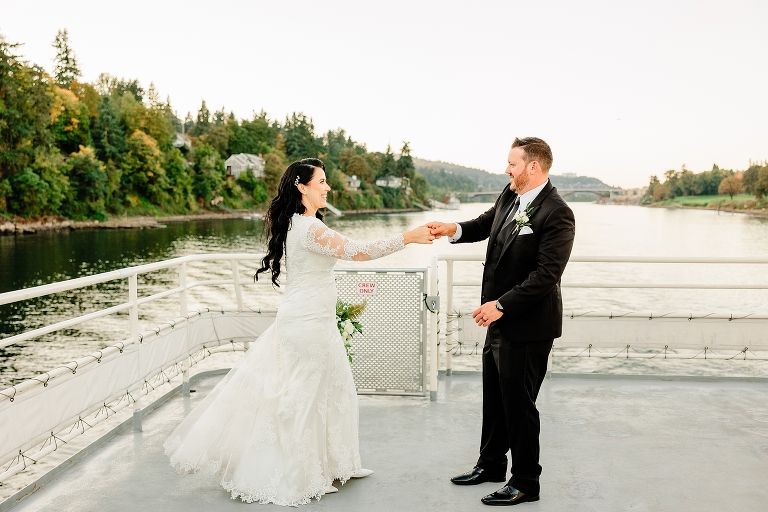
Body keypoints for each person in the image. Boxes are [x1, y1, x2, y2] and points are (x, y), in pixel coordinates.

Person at [164, 158, 435, 506]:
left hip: (312, 320)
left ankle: (339, 463)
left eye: (326, 182)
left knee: (335, 389)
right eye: (321, 181)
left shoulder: (298, 222)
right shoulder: (310, 229)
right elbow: (358, 251)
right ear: (301, 187)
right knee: (306, 397)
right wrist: (408, 237)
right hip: (307, 325)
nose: (327, 188)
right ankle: (300, 476)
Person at [427, 137, 575, 506]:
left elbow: (546, 274)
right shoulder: (509, 195)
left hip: (527, 324)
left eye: (512, 164)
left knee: (519, 405)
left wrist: (502, 305)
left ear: (533, 168)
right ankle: (490, 464)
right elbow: (484, 225)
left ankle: (526, 482)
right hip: (497, 318)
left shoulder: (557, 212)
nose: (506, 169)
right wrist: (452, 229)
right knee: (494, 397)